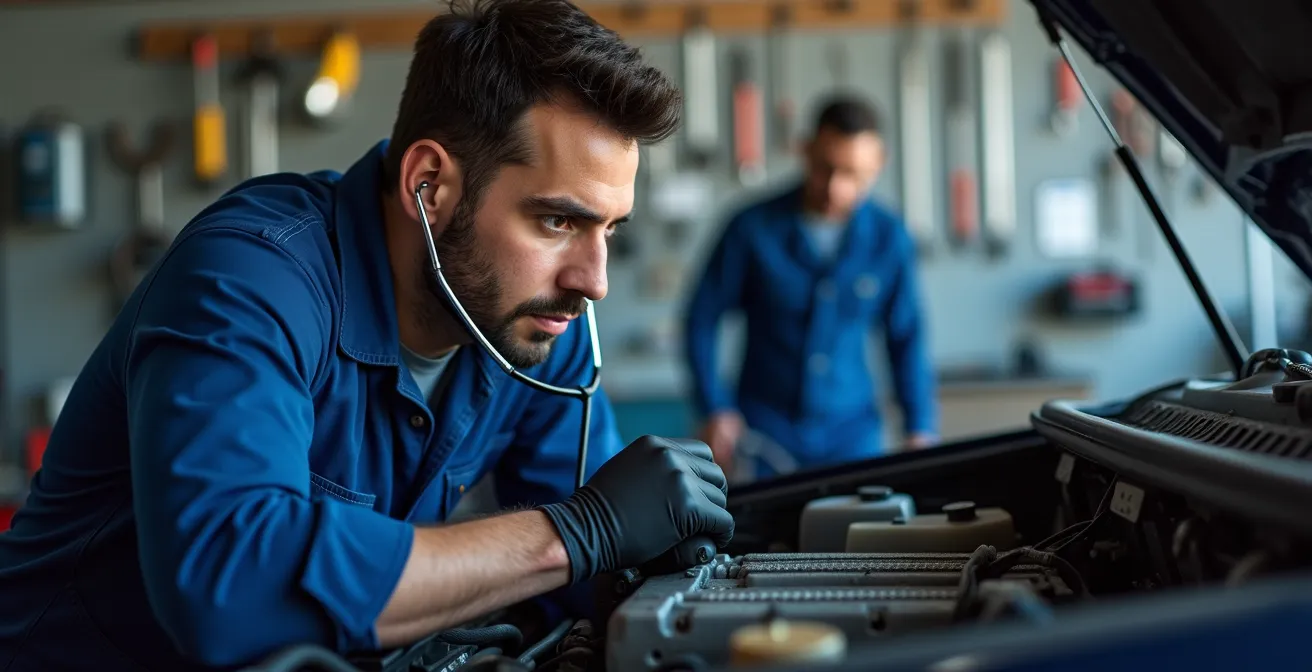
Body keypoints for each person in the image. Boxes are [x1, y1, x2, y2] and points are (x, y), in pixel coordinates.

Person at [0, 2, 734, 669]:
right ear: (430, 186)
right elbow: (228, 590)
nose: (594, 279)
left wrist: (655, 559)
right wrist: (577, 534)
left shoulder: (534, 322)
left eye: (609, 229)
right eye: (557, 221)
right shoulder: (250, 278)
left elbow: (588, 575)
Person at [683, 95, 938, 481]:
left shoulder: (890, 238)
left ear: (878, 163)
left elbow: (905, 336)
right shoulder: (750, 228)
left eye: (853, 175)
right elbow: (700, 319)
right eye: (825, 169)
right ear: (804, 150)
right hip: (764, 433)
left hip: (854, 436)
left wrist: (920, 427)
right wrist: (715, 408)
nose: (835, 188)